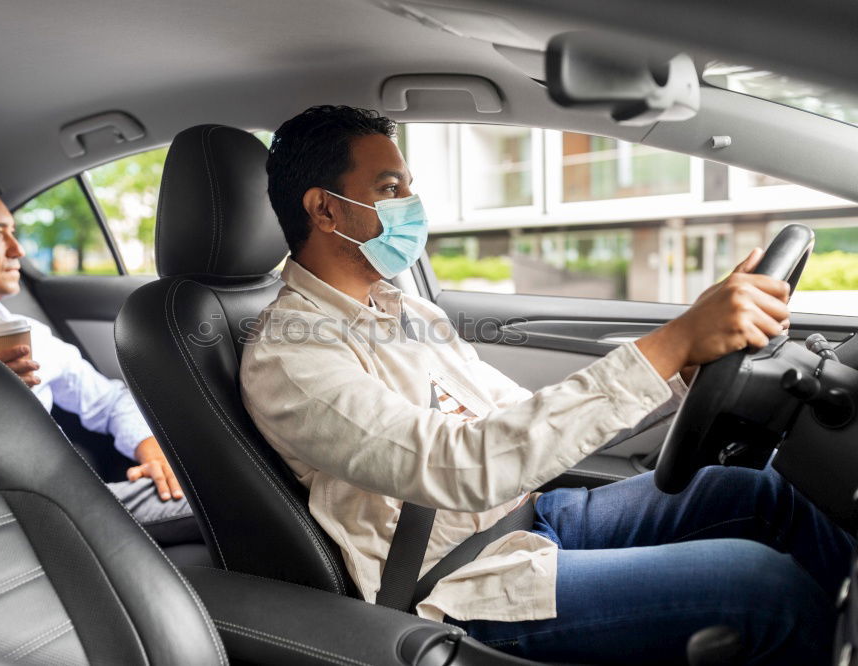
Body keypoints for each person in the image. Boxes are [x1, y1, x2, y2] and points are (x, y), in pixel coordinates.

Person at [240, 105, 854, 664]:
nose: (410, 206)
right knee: (762, 587)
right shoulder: (291, 356)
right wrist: (670, 342)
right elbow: (461, 466)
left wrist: (678, 365)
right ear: (324, 209)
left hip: (530, 516)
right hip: (463, 582)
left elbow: (519, 417)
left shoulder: (405, 312)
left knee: (761, 491)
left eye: (410, 188)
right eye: (389, 189)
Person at [0, 171, 198, 543]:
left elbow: (108, 400)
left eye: (13, 232)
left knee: (212, 494)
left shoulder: (27, 331)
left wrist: (149, 447)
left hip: (67, 499)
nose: (18, 250)